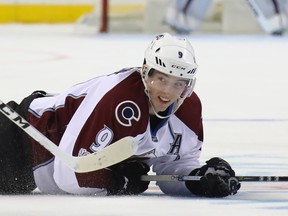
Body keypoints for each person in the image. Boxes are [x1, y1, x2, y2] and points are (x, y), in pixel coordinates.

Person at [0, 33, 240, 197]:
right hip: (19, 138)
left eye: (178, 84)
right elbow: (68, 175)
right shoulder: (119, 99)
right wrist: (119, 182)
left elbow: (173, 166)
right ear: (145, 73)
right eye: (161, 79)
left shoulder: (189, 110)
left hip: (30, 168)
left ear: (189, 85)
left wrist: (198, 180)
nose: (167, 92)